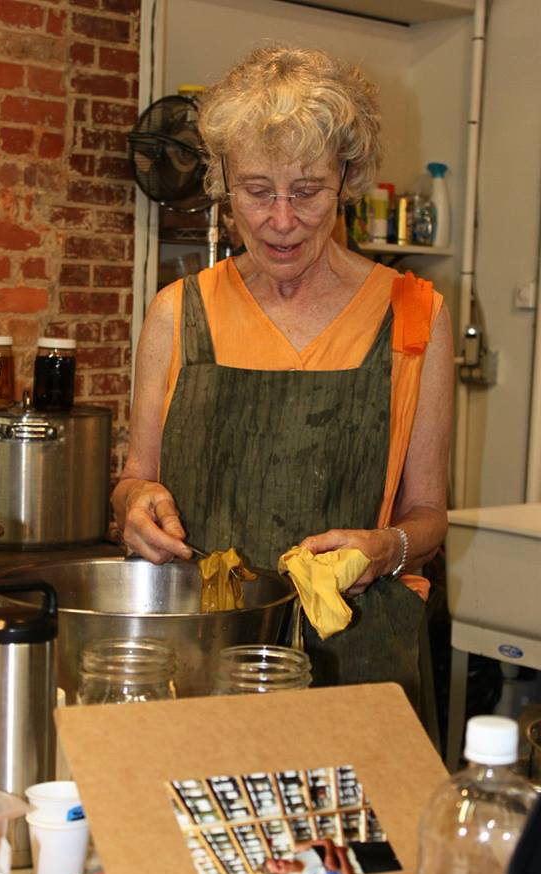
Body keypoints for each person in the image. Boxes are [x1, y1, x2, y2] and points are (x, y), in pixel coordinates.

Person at [113, 45, 454, 704]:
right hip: (202, 654)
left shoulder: (414, 316)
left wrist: (387, 547)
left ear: (346, 179)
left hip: (357, 664)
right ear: (223, 180)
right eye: (256, 190)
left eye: (307, 191)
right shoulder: (177, 313)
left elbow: (428, 518)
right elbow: (135, 479)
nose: (281, 220)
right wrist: (134, 505)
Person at [264, 838, 354, 874]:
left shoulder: (298, 850)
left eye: (277, 860)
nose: (282, 862)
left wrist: (329, 854)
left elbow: (327, 841)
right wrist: (341, 855)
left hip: (355, 848)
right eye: (279, 867)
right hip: (359, 867)